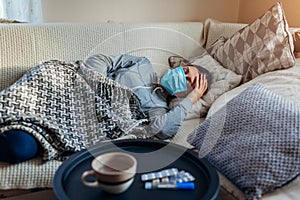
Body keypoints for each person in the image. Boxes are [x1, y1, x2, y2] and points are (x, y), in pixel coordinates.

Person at [0, 54, 209, 164]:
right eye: (185, 71)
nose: (183, 77)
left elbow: (162, 130)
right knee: (15, 101)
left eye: (189, 83)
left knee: (19, 148)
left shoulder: (159, 108)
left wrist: (192, 98)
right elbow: (99, 60)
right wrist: (98, 88)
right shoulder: (142, 64)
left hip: (80, 120)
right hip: (68, 85)